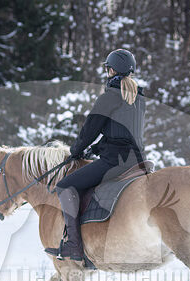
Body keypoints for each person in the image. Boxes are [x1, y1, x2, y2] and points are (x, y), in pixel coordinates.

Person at [45, 48, 146, 261]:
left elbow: (89, 131)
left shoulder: (109, 97)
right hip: (136, 161)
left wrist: (76, 151)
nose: (107, 72)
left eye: (108, 69)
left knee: (64, 186)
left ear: (112, 71)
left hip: (115, 162)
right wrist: (97, 149)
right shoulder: (138, 99)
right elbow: (122, 134)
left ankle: (73, 245)